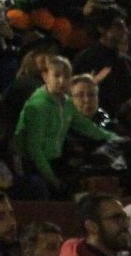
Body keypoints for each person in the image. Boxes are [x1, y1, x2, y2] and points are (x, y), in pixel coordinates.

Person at [13, 54, 114, 196]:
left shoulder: (65, 103)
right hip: (34, 167)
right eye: (57, 75)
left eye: (66, 76)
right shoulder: (38, 107)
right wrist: (53, 180)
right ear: (45, 76)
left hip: (57, 165)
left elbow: (86, 127)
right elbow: (34, 149)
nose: (61, 81)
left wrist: (113, 137)